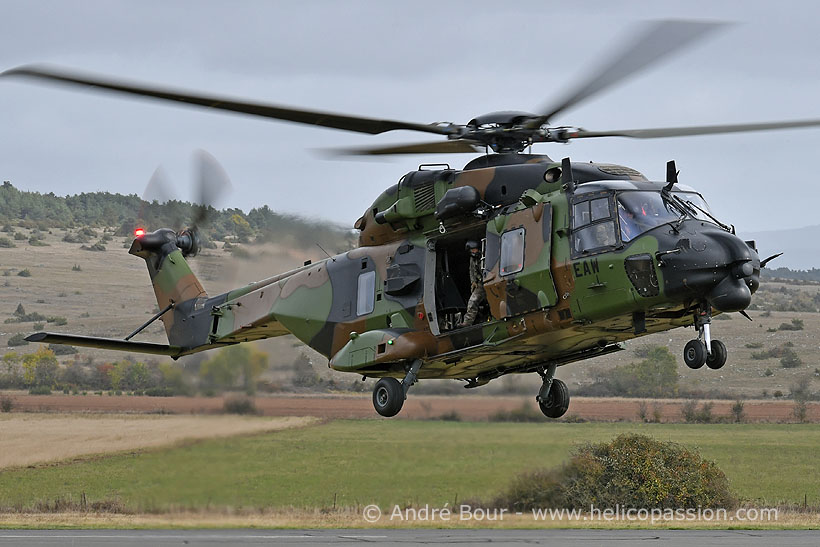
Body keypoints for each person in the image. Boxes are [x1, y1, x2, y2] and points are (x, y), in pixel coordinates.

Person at [460, 240, 486, 327]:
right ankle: (467, 322)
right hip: (480, 283)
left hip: (490, 279)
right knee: (472, 301)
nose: (475, 251)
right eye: (473, 250)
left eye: (476, 249)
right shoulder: (472, 259)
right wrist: (473, 282)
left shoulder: (485, 254)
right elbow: (471, 271)